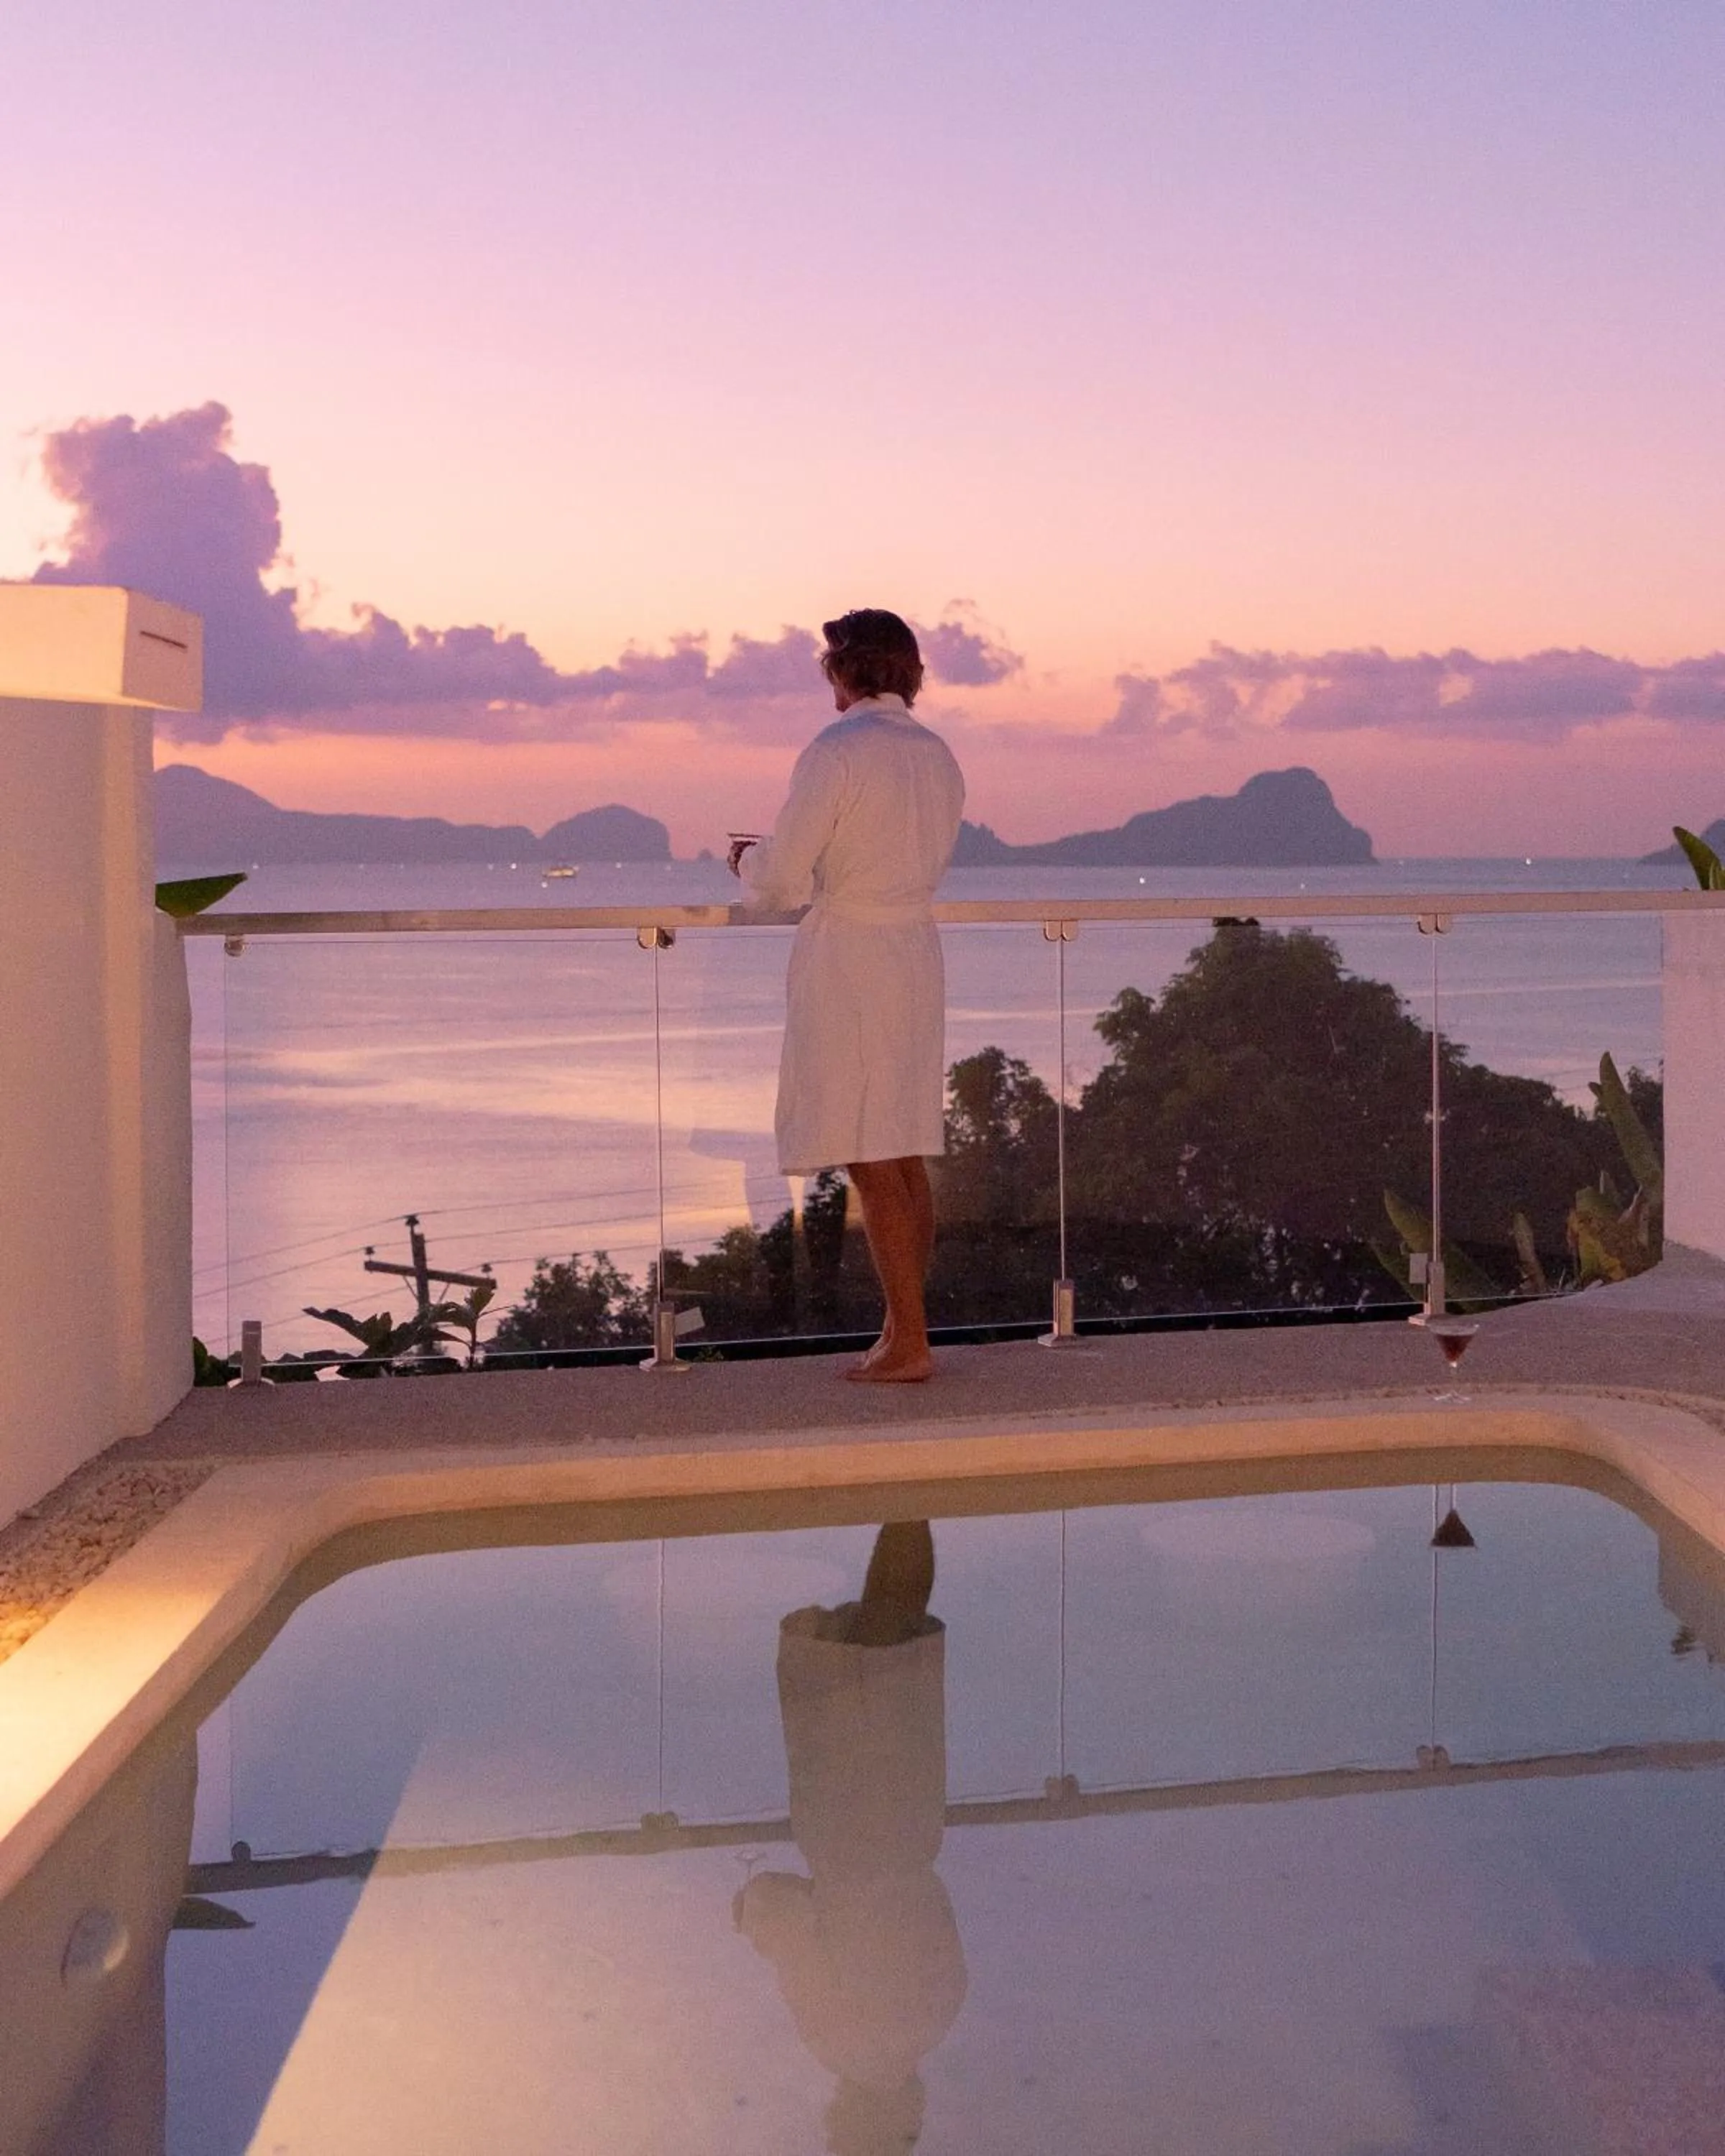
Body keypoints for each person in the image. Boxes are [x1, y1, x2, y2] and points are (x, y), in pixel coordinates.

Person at [730, 611, 965, 1382]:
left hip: (855, 960)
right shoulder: (935, 756)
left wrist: (745, 863)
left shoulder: (836, 752)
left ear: (847, 669)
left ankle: (910, 1342)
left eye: (829, 662)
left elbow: (782, 876)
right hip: (912, 954)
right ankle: (906, 1325)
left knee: (870, 1149)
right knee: (901, 1146)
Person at [733, 1521, 967, 2156]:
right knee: (848, 1666)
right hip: (844, 1834)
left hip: (914, 1827)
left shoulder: (939, 2018)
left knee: (896, 1641)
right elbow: (791, 1930)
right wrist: (749, 1912)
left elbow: (938, 1909)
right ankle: (899, 1492)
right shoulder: (837, 2041)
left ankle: (907, 1501)